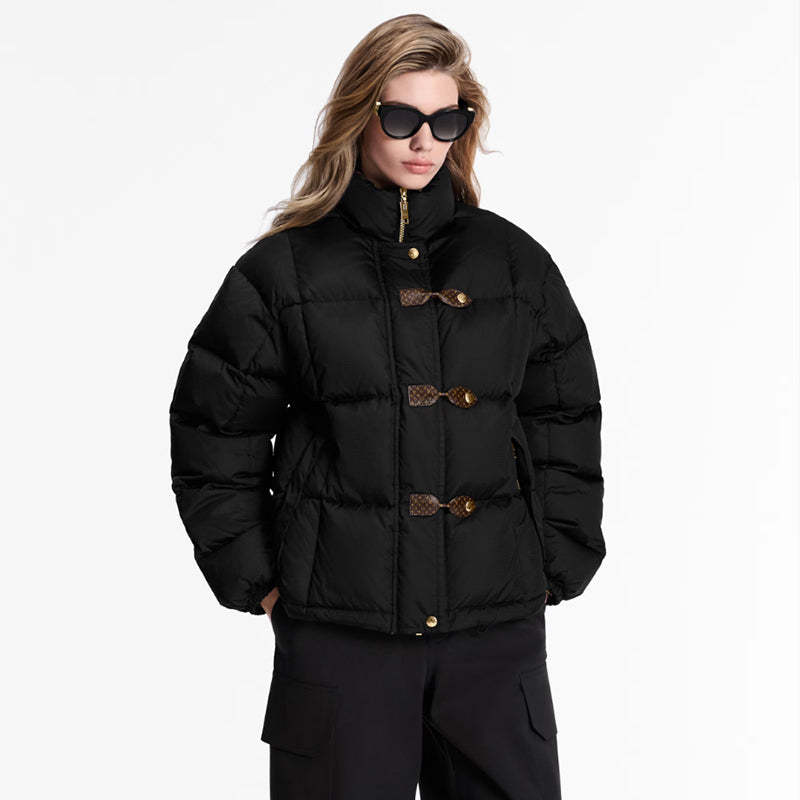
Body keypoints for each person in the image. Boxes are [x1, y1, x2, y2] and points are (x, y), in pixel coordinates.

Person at [169, 13, 606, 800]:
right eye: (401, 118)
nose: (423, 141)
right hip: (343, 639)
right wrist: (261, 579)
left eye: (446, 121)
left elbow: (563, 416)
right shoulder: (284, 271)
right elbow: (214, 430)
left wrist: (554, 560)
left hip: (493, 638)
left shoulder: (513, 264)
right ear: (359, 113)